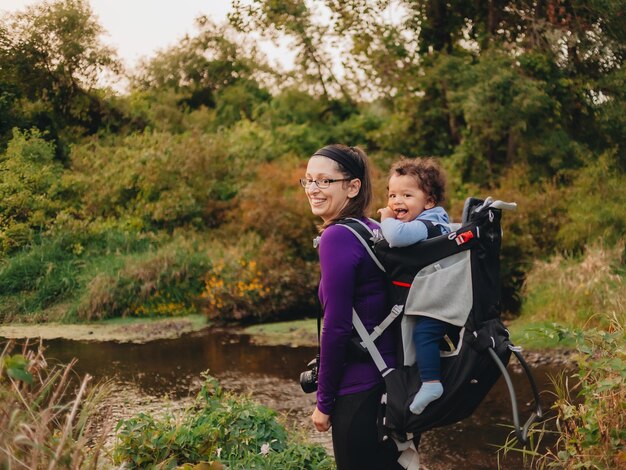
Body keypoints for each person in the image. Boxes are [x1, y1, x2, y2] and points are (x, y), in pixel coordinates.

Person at [302, 144, 402, 470]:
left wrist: (324, 402)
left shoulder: (337, 237)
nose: (313, 189)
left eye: (324, 181)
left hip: (358, 391)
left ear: (353, 186)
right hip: (391, 385)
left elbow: (337, 326)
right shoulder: (373, 230)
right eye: (308, 181)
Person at [377, 157, 451, 415]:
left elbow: (396, 236)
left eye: (407, 195)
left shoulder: (428, 224)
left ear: (429, 201)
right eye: (392, 195)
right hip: (432, 295)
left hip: (439, 301)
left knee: (424, 334)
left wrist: (386, 219)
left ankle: (432, 384)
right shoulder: (428, 219)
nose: (397, 201)